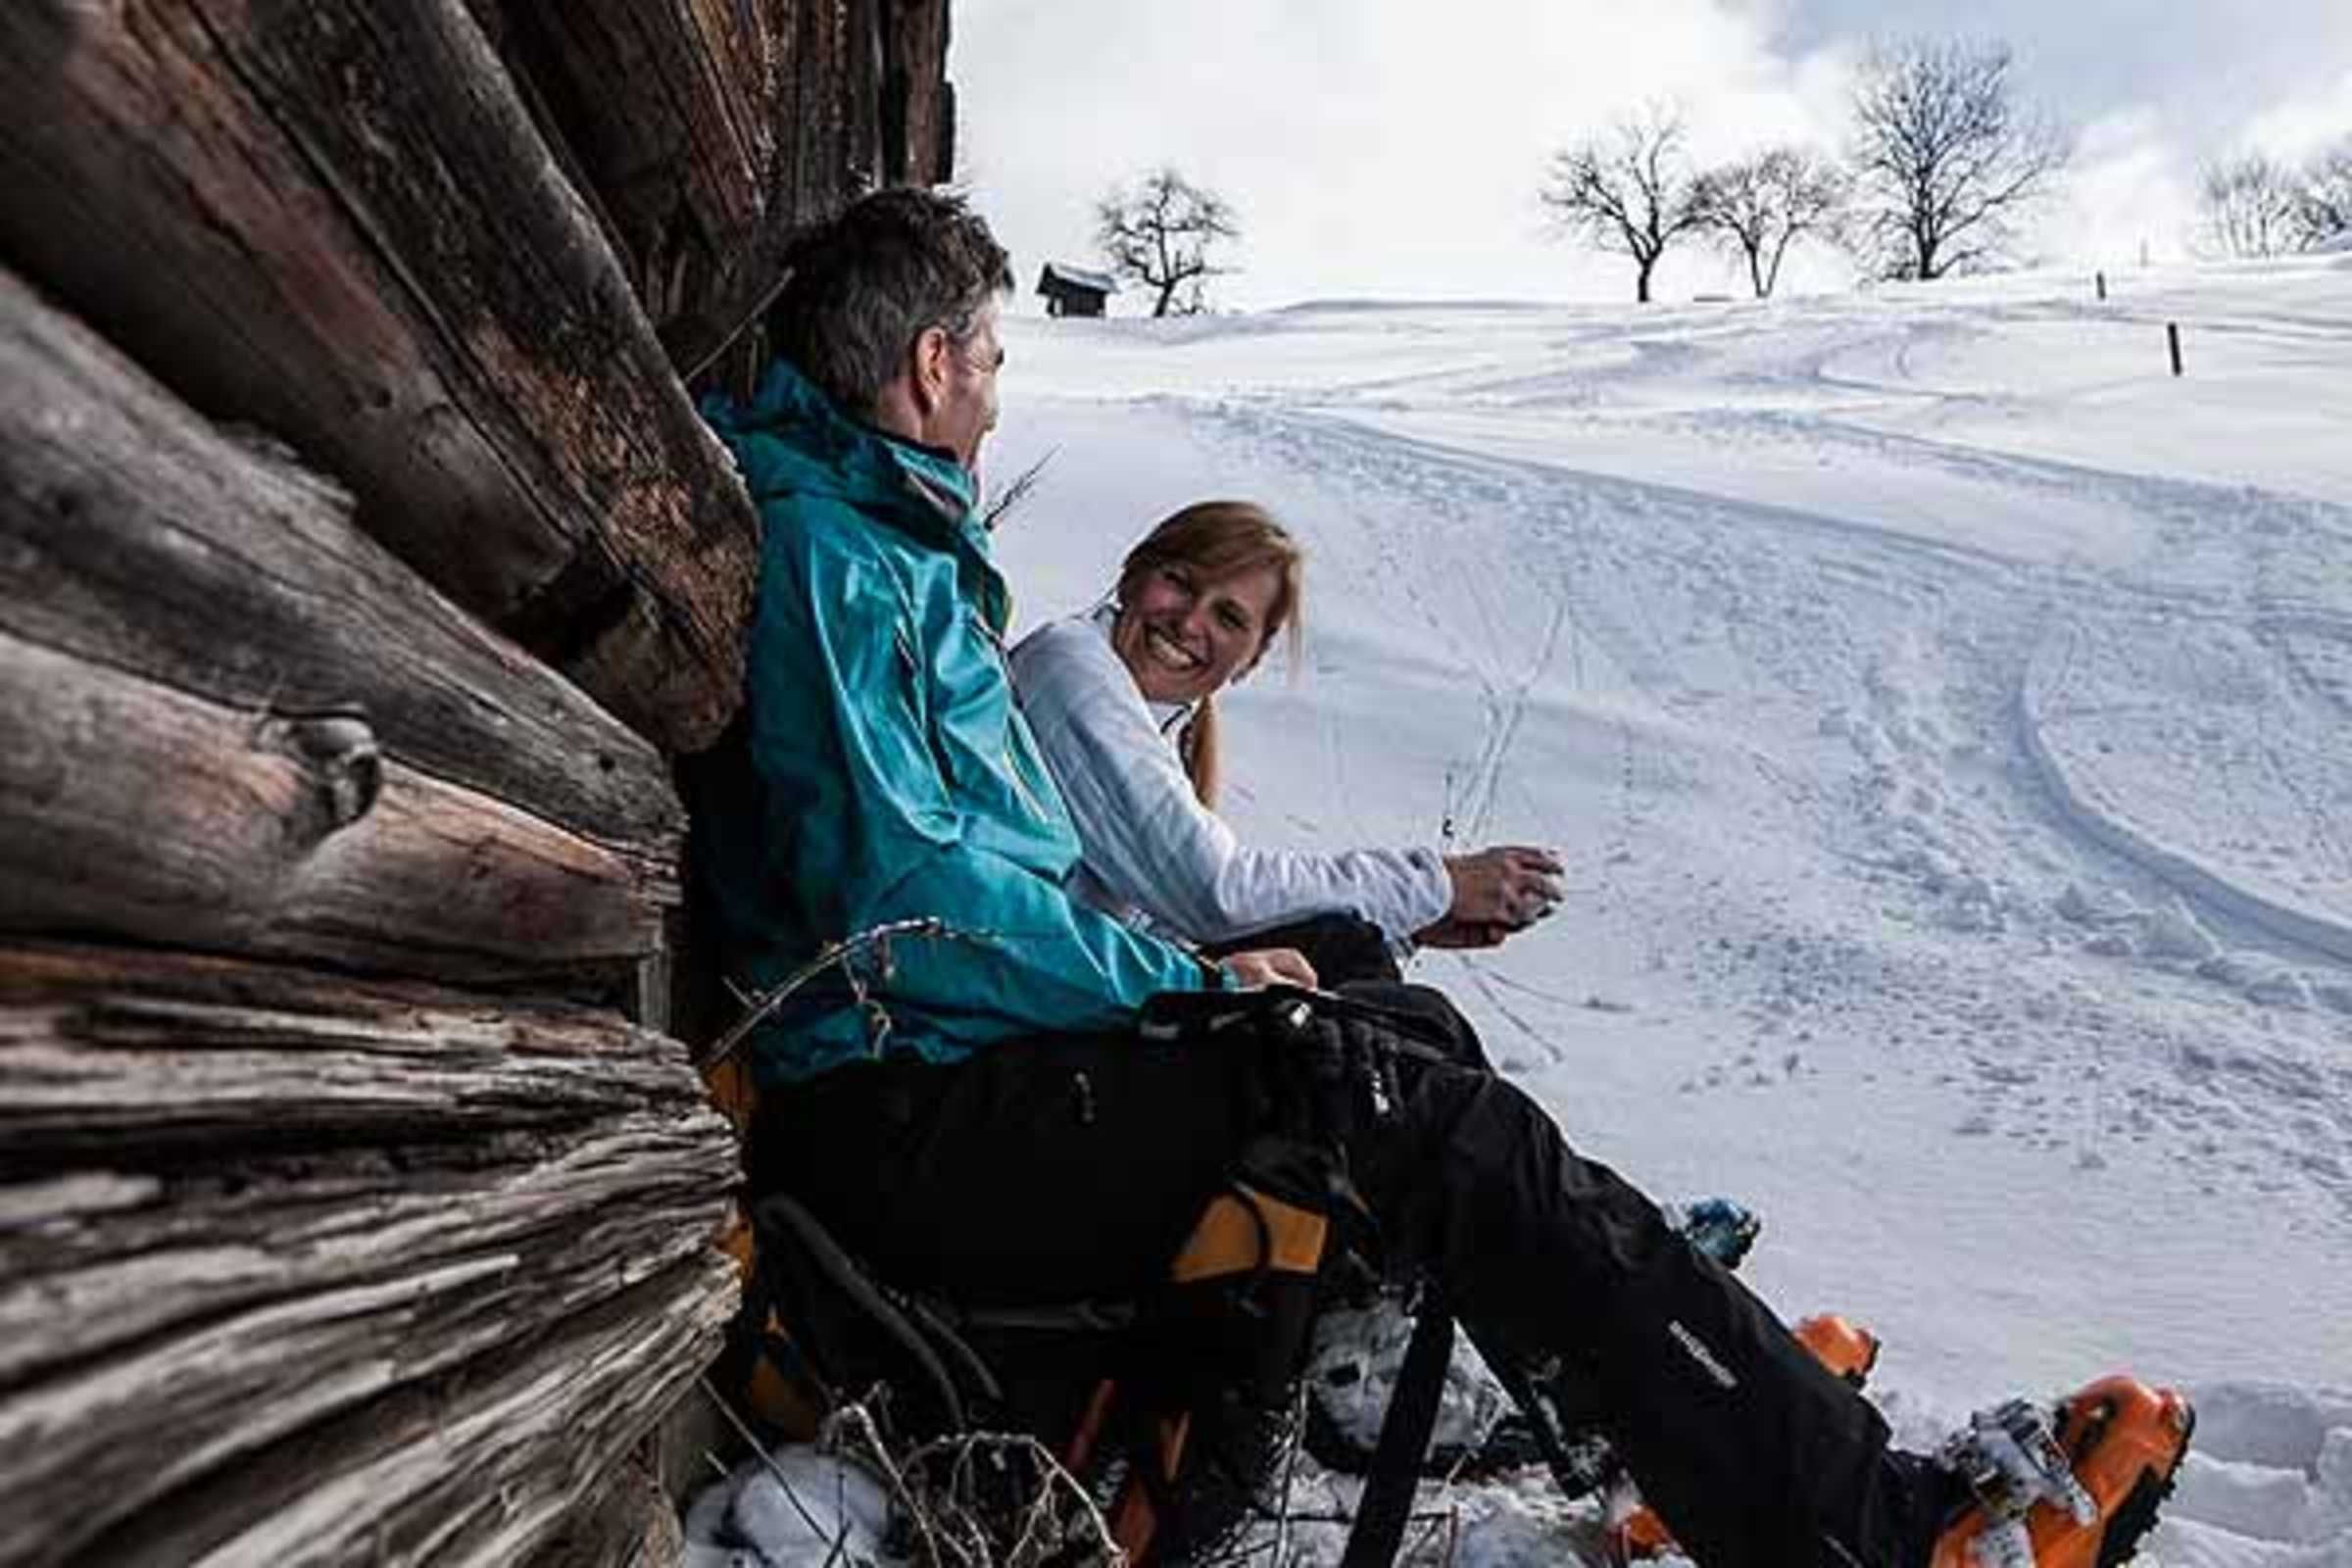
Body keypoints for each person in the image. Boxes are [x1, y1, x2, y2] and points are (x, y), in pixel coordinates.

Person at [686, 185, 2189, 1568]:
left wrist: (1205, 986)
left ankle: (1686, 1423)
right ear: (934, 365)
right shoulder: (843, 564)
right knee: (1412, 1107)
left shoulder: (895, 555)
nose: (1000, 392)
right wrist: (1185, 985)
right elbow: (915, 904)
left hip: (957, 1073)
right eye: (996, 360)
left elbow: (966, 887)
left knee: (1394, 1041)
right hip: (905, 1114)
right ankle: (1879, 1533)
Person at [1007, 499, 1566, 981]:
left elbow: (1164, 925)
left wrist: (1402, 927)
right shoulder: (1068, 667)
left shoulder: (1158, 726)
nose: (1190, 622)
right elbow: (1212, 892)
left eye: (1228, 618)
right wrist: (1435, 887)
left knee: (1347, 961)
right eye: (1179, 582)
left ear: (1250, 661)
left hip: (1061, 987)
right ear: (1133, 576)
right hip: (1011, 1013)